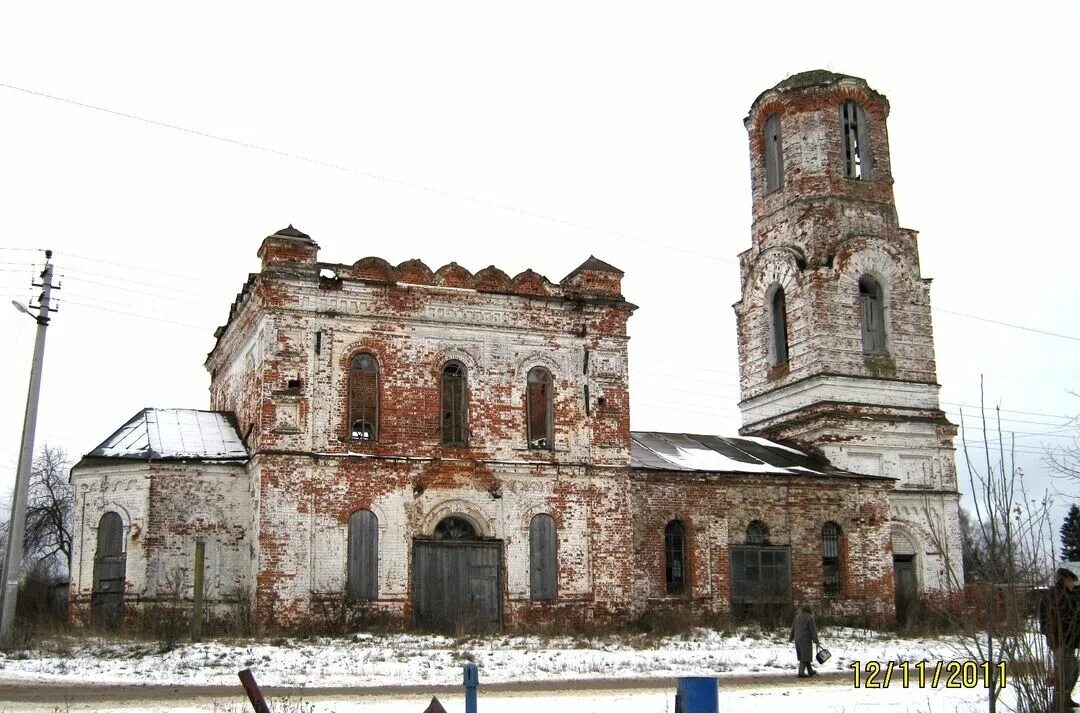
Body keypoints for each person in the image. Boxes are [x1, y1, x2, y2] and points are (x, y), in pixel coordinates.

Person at [1040, 568, 1080, 710]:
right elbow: (1049, 619)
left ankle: (1065, 699)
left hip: (1067, 641)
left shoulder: (1068, 595)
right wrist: (1052, 635)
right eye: (1071, 581)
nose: (1073, 584)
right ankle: (1058, 704)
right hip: (1060, 641)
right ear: (1064, 580)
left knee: (1073, 669)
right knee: (1066, 672)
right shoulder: (1055, 596)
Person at [790, 604, 821, 678]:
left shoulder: (797, 617)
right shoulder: (810, 617)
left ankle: (810, 671)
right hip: (805, 639)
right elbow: (813, 630)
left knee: (804, 655)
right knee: (804, 656)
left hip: (797, 638)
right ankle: (801, 672)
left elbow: (793, 628)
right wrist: (816, 640)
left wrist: (791, 637)